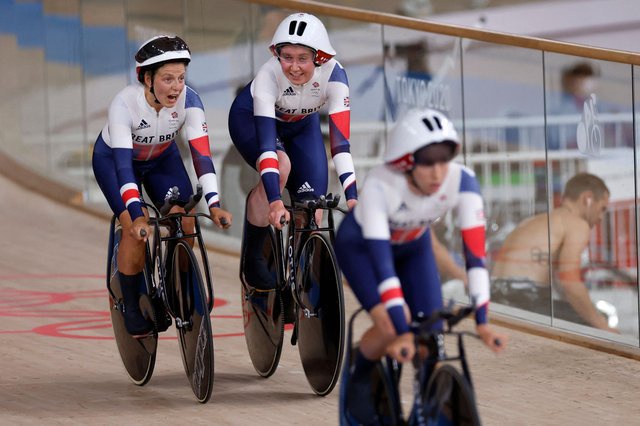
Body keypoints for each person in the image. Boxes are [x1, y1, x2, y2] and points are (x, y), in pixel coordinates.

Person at [334, 107, 506, 424]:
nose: (438, 174)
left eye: (444, 161)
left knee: (431, 331)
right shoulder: (380, 187)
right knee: (392, 324)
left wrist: (482, 320)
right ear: (405, 163)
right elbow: (383, 268)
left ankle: (425, 406)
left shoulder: (463, 181)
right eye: (428, 163)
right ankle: (361, 374)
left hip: (414, 248)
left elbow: (476, 257)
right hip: (362, 250)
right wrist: (401, 332)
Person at [92, 35, 232, 337]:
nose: (176, 87)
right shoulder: (124, 104)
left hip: (161, 159)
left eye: (181, 78)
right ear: (147, 79)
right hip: (116, 161)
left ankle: (173, 285)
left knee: (185, 221)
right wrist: (136, 215)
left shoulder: (190, 100)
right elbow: (123, 168)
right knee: (135, 228)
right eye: (168, 79)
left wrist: (214, 203)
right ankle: (131, 304)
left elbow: (202, 156)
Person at [228, 13, 358, 291]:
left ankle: (298, 279)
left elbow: (340, 146)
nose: (294, 67)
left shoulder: (335, 76)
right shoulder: (269, 75)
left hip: (301, 125)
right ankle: (253, 255)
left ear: (319, 58)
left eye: (302, 58)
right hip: (251, 121)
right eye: (287, 57)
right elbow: (267, 148)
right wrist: (275, 201)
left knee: (314, 208)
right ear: (277, 55)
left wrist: (353, 198)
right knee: (281, 164)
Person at [491, 172, 617, 332]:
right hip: (524, 298)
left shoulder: (538, 221)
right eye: (602, 209)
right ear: (588, 199)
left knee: (584, 313)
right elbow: (570, 283)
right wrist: (604, 327)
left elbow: (563, 287)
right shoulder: (576, 223)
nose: (601, 217)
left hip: (497, 297)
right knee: (595, 321)